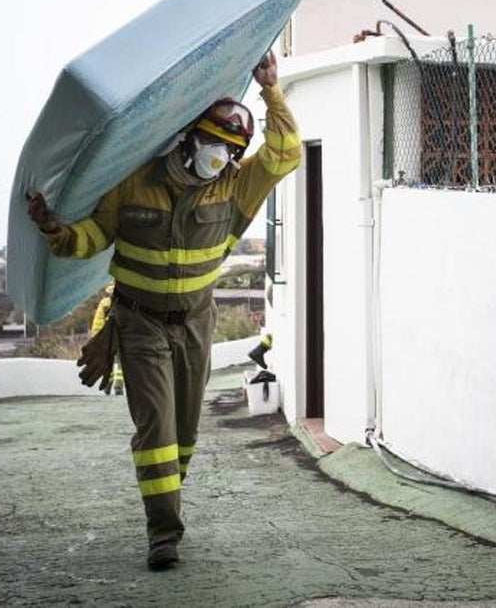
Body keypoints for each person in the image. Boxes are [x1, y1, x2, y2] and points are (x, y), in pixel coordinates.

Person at [26, 51, 300, 571]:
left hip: (197, 320)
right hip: (139, 320)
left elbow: (285, 154)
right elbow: (93, 238)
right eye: (214, 144)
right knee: (157, 428)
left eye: (230, 150)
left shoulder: (233, 188)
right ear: (189, 136)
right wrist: (54, 230)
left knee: (186, 434)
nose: (219, 156)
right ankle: (164, 533)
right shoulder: (134, 181)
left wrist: (270, 91)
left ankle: (168, 495)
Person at [89, 282, 124, 395]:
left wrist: (96, 337)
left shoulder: (104, 303)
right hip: (121, 337)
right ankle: (119, 386)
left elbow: (98, 322)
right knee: (120, 362)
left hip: (108, 338)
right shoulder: (125, 304)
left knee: (108, 361)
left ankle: (107, 386)